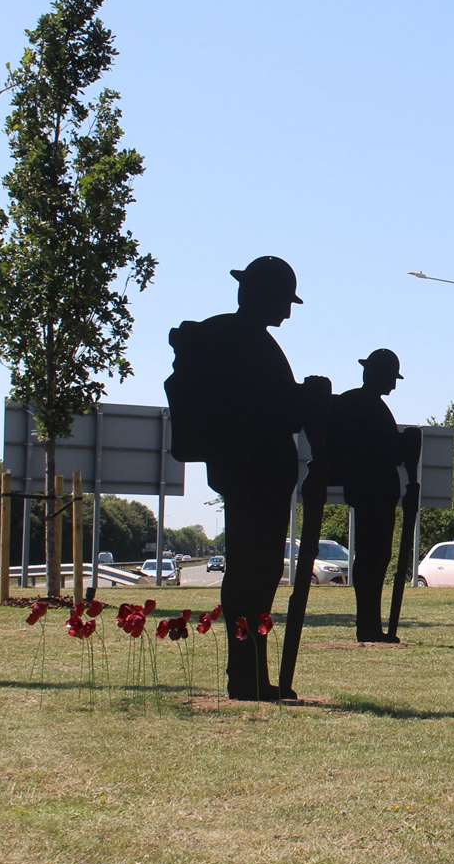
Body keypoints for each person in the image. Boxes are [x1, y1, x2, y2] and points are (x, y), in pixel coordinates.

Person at [167, 256, 329, 700]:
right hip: (254, 472)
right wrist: (308, 396)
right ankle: (245, 676)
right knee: (250, 576)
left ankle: (251, 673)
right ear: (262, 295)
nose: (289, 311)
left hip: (254, 472)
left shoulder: (239, 338)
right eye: (284, 300)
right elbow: (268, 411)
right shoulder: (243, 343)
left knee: (256, 574)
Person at [329, 349, 418, 643]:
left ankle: (369, 623)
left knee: (375, 558)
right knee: (372, 558)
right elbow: (382, 452)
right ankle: (367, 624)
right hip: (373, 492)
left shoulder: (358, 404)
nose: (393, 385)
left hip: (375, 491)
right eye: (391, 378)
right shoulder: (364, 407)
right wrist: (404, 445)